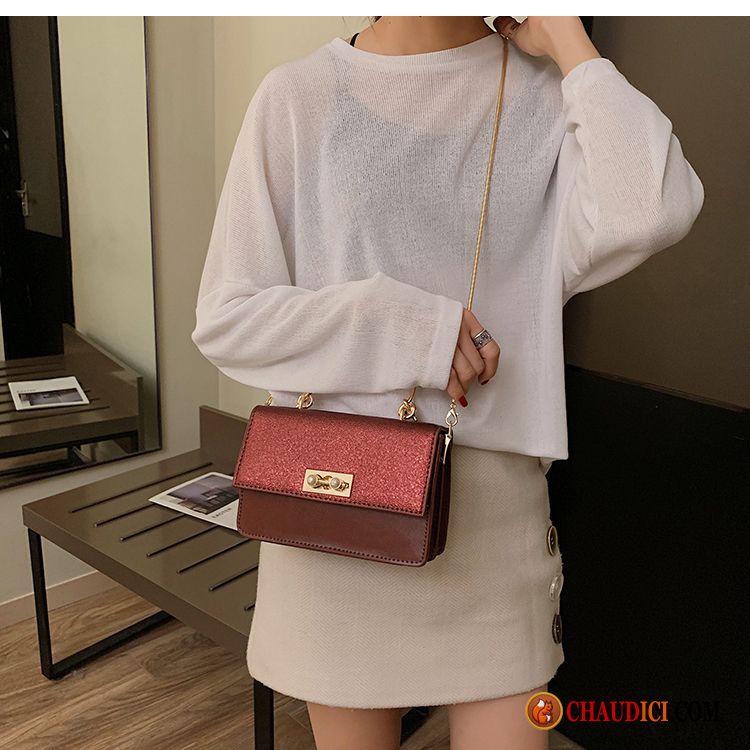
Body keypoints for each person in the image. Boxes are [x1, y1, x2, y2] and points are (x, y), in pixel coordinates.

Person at [190, 15, 704, 750]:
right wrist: (408, 327)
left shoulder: (551, 98)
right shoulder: (298, 96)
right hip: (335, 518)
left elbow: (652, 207)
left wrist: (568, 40)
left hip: (492, 533)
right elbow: (228, 318)